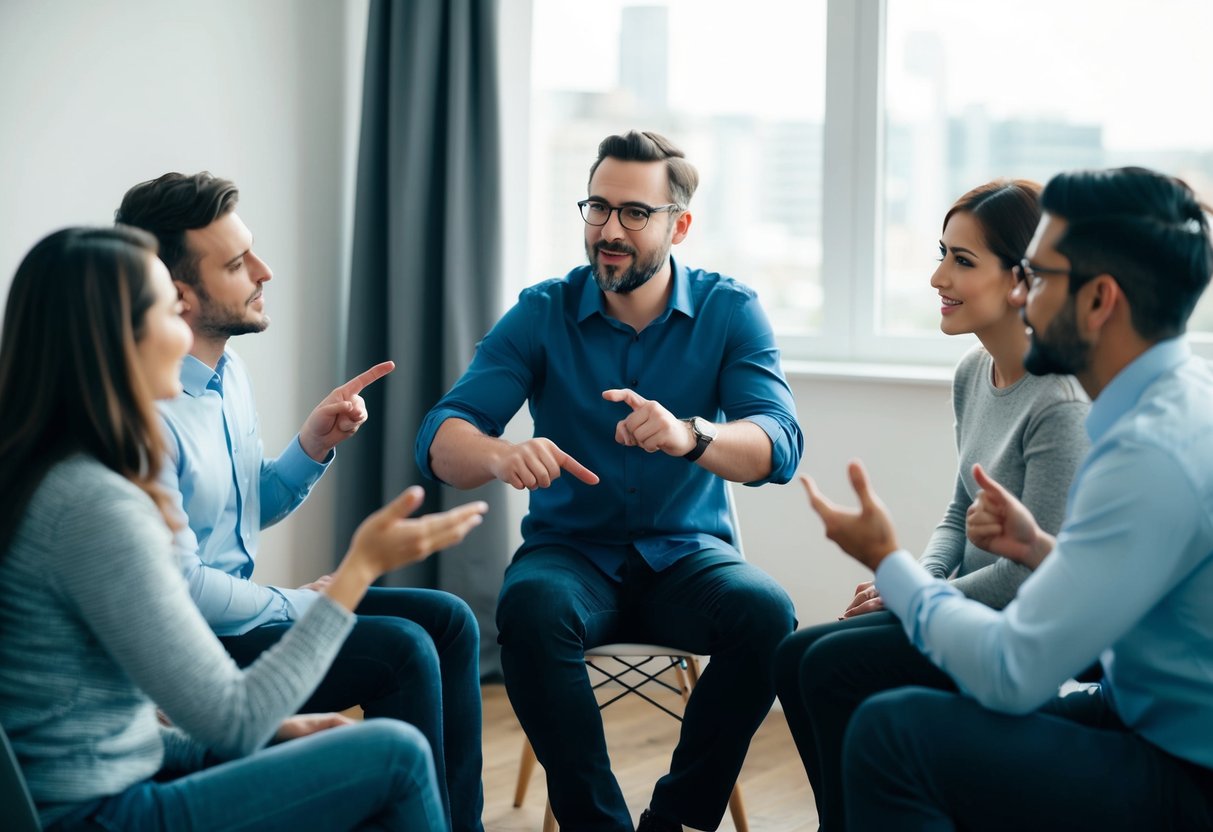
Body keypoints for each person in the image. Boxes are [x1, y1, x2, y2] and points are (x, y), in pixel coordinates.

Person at [0, 226, 489, 830]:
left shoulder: (58, 473)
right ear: (115, 339)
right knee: (396, 754)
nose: (182, 330)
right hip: (105, 814)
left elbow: (107, 727)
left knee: (421, 663)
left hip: (116, 783)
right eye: (167, 310)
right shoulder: (96, 505)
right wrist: (356, 571)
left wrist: (268, 735)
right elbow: (234, 720)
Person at [415, 130, 803, 831]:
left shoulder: (729, 310)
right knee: (530, 610)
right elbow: (441, 437)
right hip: (570, 557)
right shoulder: (543, 310)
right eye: (598, 207)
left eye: (634, 213)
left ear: (678, 226)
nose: (609, 230)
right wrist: (500, 455)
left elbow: (778, 444)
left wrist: (691, 435)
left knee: (767, 616)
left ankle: (675, 820)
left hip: (688, 559)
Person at [803, 167, 1213, 830]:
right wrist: (1041, 548)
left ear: (1098, 300)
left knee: (891, 732)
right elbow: (1135, 585)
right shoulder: (1178, 400)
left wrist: (890, 565)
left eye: (1039, 277)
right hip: (1134, 709)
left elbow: (1011, 671)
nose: (1022, 294)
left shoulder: (1145, 452)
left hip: (1184, 770)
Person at [772, 179, 1090, 830]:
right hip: (961, 602)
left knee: (829, 667)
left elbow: (1030, 575)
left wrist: (913, 593)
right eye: (942, 253)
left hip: (1015, 629)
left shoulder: (1059, 403)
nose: (937, 277)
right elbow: (956, 511)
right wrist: (916, 581)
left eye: (962, 260)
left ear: (1021, 281)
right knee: (794, 655)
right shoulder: (973, 371)